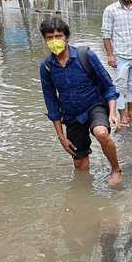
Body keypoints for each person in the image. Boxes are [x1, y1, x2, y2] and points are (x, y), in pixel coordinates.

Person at [39, 16, 123, 187]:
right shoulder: (47, 67)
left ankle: (116, 169)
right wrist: (61, 136)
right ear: (45, 40)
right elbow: (51, 103)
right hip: (71, 116)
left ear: (66, 37)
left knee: (101, 132)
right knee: (81, 166)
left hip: (94, 106)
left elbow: (108, 86)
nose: (55, 41)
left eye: (58, 36)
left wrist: (112, 113)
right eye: (50, 38)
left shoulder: (86, 56)